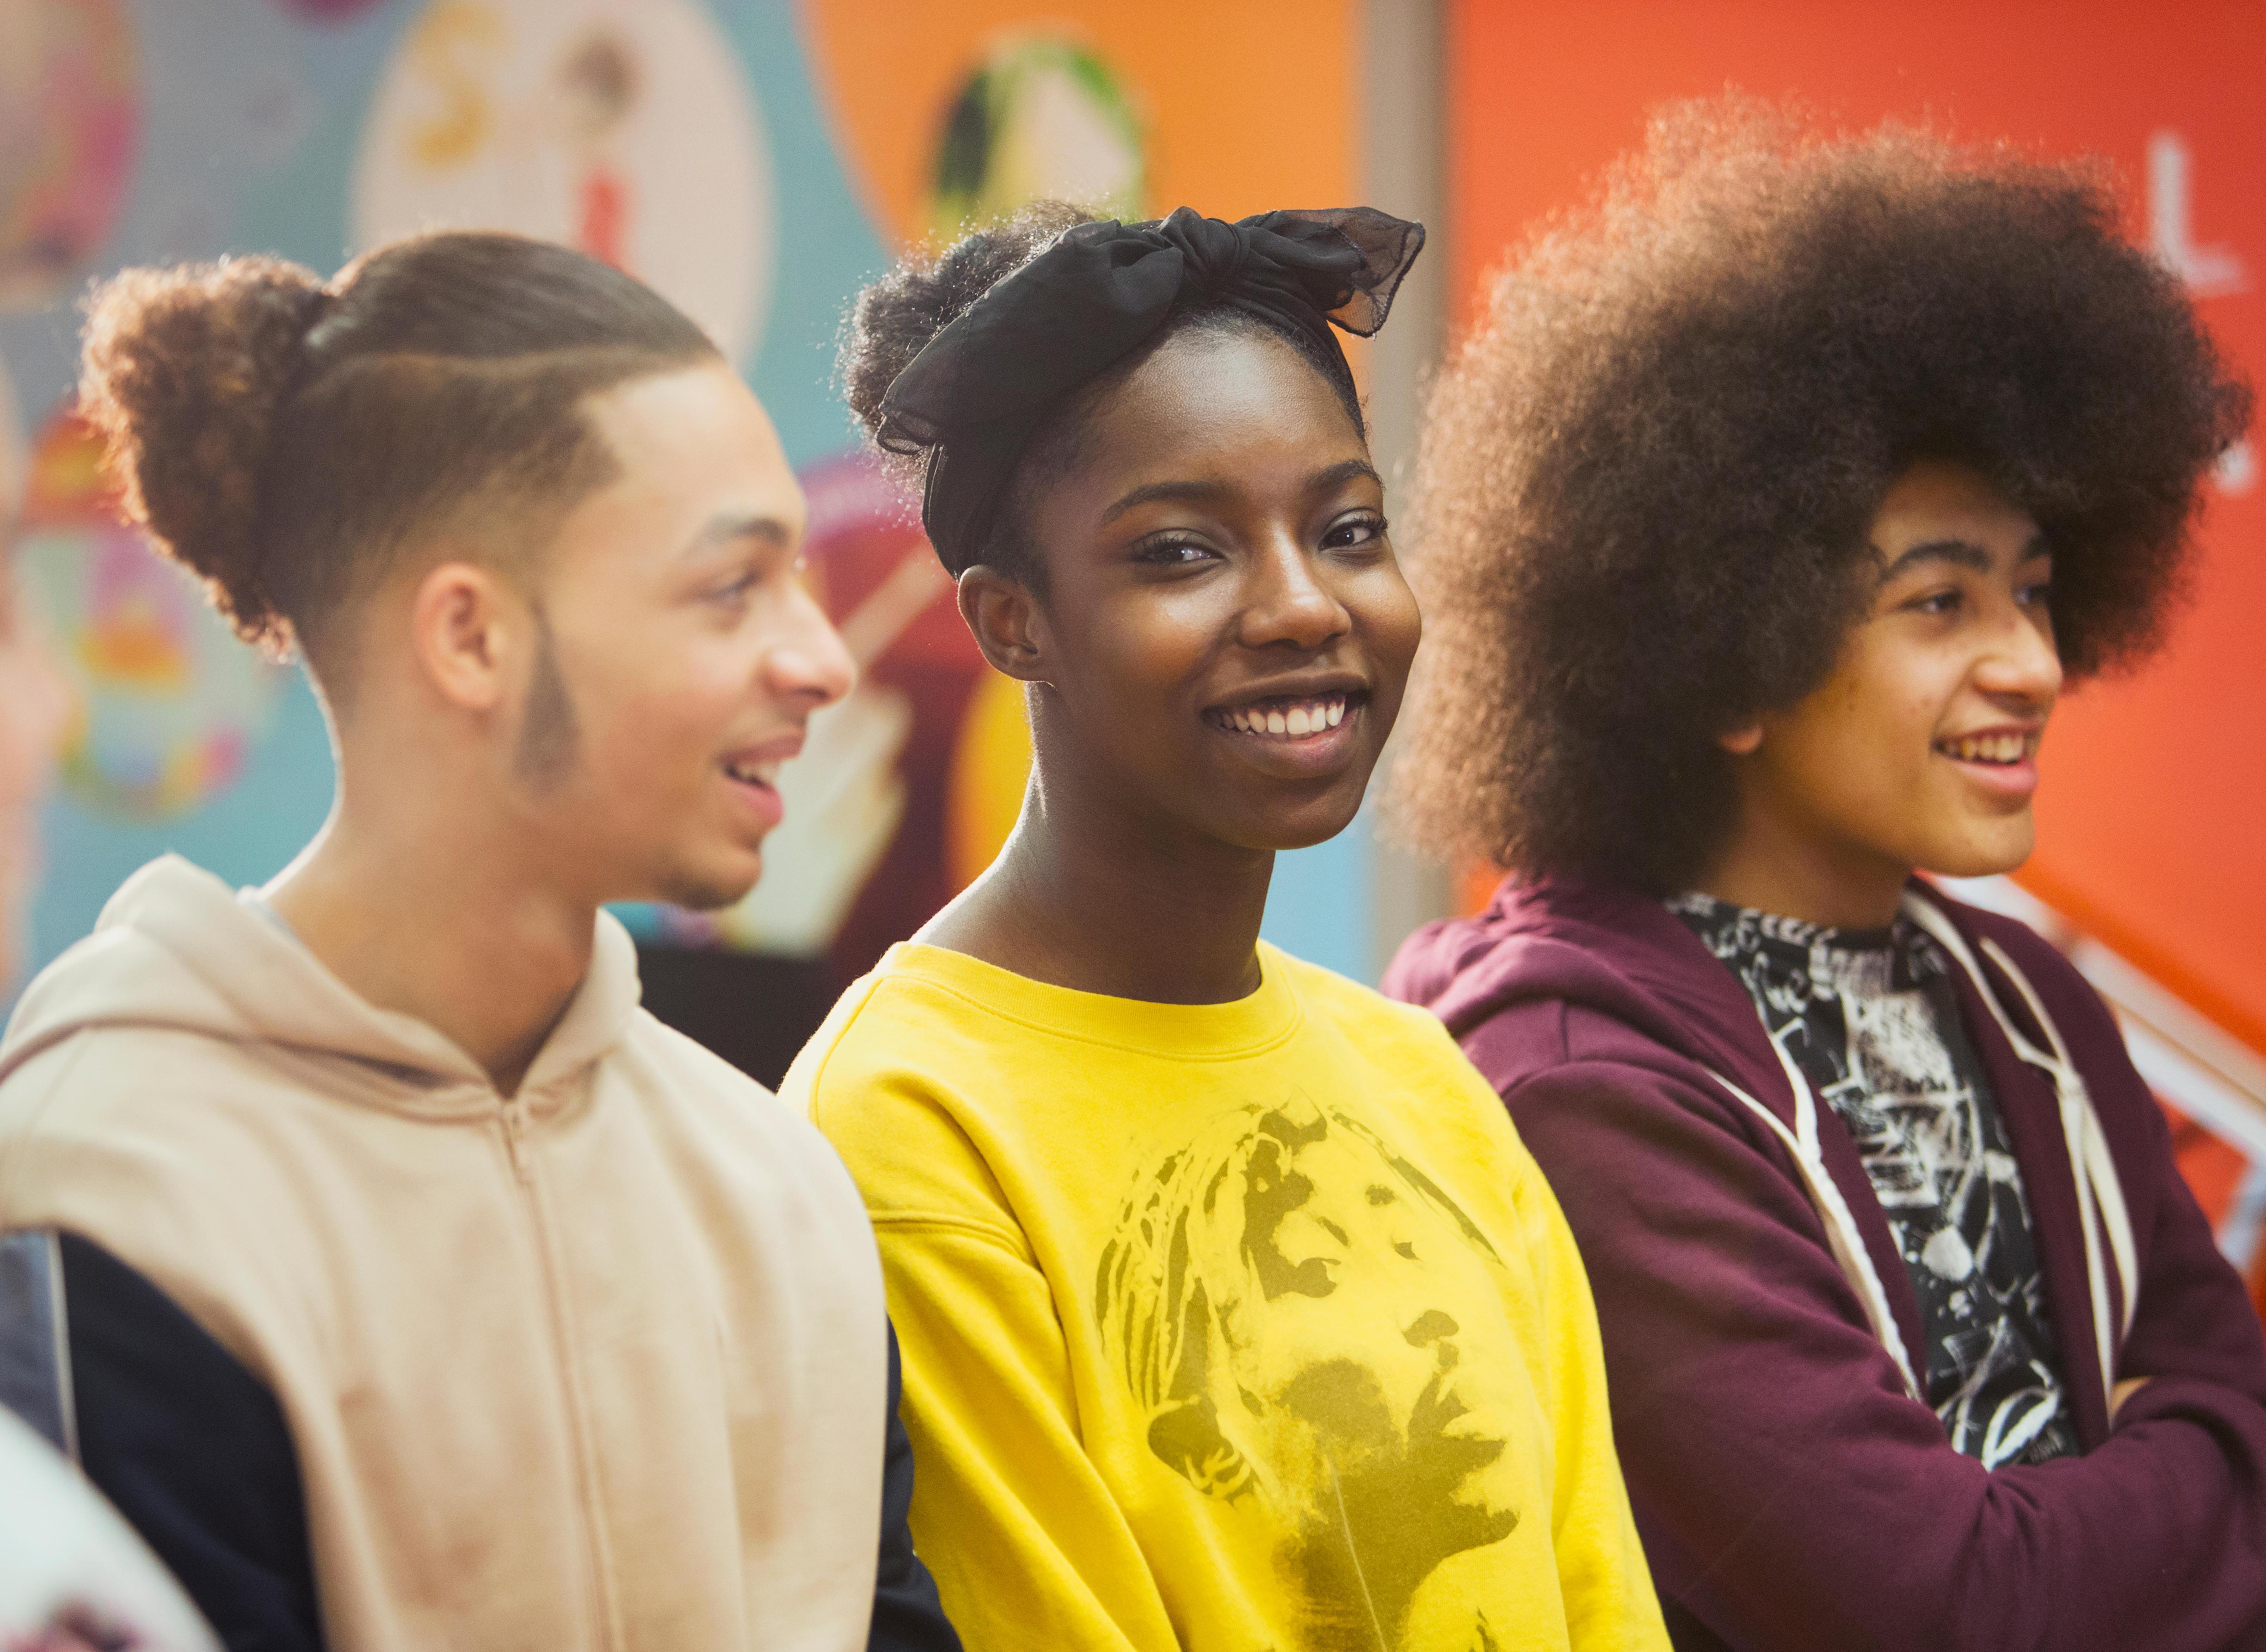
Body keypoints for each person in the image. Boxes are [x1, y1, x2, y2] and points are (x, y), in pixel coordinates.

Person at [1384, 100, 2266, 1652]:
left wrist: (2156, 1474)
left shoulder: (2029, 1005)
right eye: (1939, 603)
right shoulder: (1578, 1080)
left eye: (2038, 596)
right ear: (1731, 655)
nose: (2032, 667)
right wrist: (2170, 1459)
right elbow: (1928, 1605)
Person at [0, 233, 958, 1652]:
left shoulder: (775, 1192)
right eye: (729, 588)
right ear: (469, 638)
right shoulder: (114, 1195)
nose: (819, 660)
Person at [783, 203, 1668, 1652]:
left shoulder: (1424, 1085)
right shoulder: (905, 1124)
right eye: (1183, 553)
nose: (1303, 604)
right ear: (1015, 624)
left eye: (1349, 530)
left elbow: (1597, 1601)